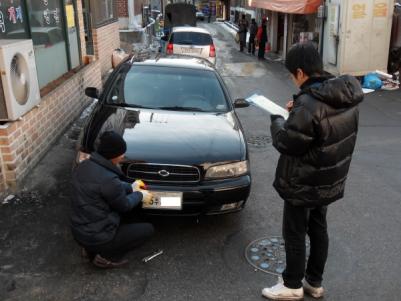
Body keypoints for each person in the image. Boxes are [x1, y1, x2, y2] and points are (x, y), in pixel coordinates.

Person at [261, 43, 363, 300]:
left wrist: (277, 120)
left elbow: (286, 143)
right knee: (318, 229)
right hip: (328, 179)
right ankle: (313, 282)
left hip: (303, 181)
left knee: (294, 232)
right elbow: (323, 126)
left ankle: (292, 285)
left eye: (291, 75)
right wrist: (297, 110)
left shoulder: (308, 103)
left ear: (300, 72)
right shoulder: (342, 95)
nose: (292, 80)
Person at [71, 131, 155, 268]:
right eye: (121, 153)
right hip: (97, 236)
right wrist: (140, 195)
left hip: (80, 230)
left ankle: (89, 248)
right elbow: (124, 205)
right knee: (148, 229)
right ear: (112, 155)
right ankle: (104, 257)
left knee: (128, 215)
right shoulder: (109, 179)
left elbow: (104, 185)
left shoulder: (85, 166)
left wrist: (131, 187)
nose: (123, 156)